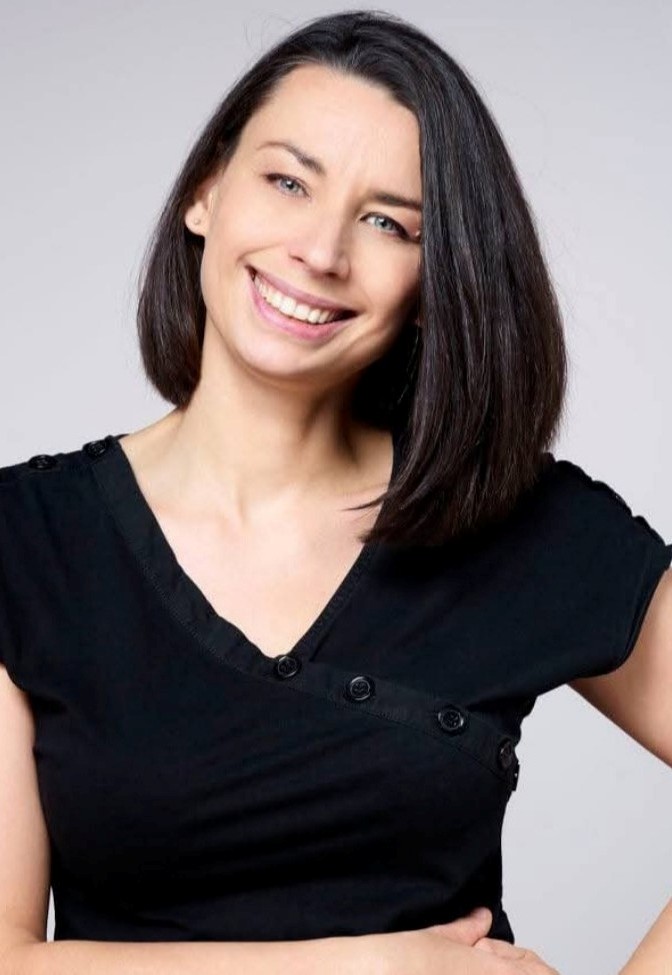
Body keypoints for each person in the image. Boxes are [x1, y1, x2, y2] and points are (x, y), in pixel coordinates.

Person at [0, 8, 670, 974]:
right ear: (205, 192)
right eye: (287, 181)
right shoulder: (25, 542)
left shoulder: (519, 520)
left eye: (388, 222)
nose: (321, 250)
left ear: (435, 280)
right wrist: (370, 966)